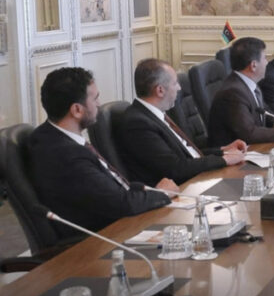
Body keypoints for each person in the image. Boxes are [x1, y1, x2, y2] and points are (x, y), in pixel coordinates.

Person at [28, 67, 173, 241]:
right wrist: (163, 194)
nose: (98, 104)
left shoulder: (49, 136)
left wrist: (149, 191)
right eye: (95, 98)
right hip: (100, 240)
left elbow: (110, 189)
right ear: (77, 110)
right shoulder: (66, 155)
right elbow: (121, 204)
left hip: (115, 222)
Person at [115, 59, 247, 186]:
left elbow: (188, 154)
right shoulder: (138, 123)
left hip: (196, 179)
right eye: (175, 83)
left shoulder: (155, 114)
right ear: (160, 90)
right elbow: (175, 168)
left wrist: (223, 150)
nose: (179, 88)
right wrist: (223, 160)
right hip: (180, 190)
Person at [207, 37, 274, 146]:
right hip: (238, 153)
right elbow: (249, 133)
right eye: (264, 58)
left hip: (255, 148)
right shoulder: (233, 93)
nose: (267, 63)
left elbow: (264, 110)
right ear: (253, 65)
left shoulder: (249, 83)